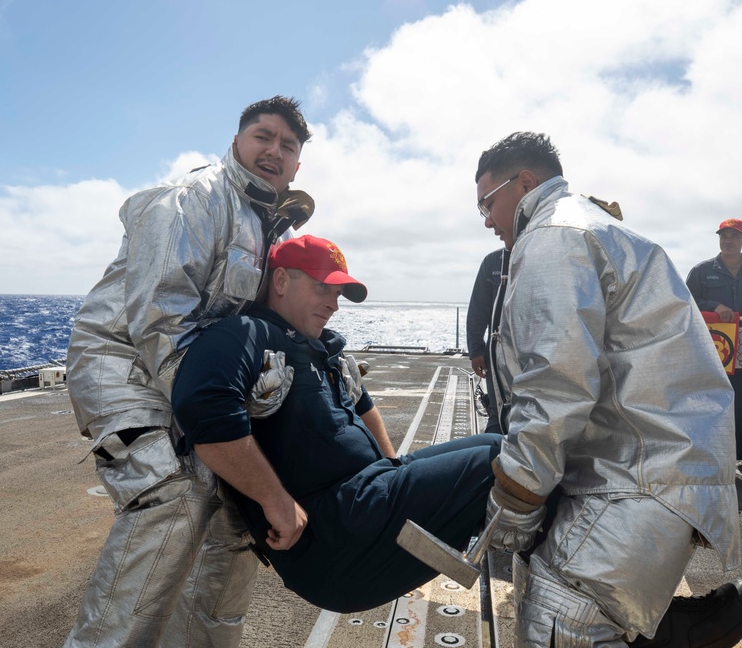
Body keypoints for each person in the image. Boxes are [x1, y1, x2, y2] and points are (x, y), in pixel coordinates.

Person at [473, 132, 742, 647]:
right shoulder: (589, 225)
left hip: (636, 477)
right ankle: (670, 633)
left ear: (524, 183)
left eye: (487, 202)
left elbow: (555, 379)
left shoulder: (554, 234)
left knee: (561, 622)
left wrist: (516, 496)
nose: (487, 219)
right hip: (653, 466)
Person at [64, 96, 315, 647]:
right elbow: (161, 320)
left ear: (298, 164)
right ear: (236, 142)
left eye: (287, 146)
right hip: (122, 361)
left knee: (236, 513)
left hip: (187, 375)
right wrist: (218, 422)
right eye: (262, 137)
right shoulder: (194, 198)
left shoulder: (266, 224)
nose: (273, 151)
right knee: (172, 494)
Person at [170, 235, 502, 612]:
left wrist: (392, 470)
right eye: (323, 288)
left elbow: (363, 405)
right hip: (334, 531)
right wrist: (274, 500)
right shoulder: (247, 333)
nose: (334, 304)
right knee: (506, 458)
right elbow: (200, 405)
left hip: (368, 498)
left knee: (500, 441)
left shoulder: (323, 349)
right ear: (280, 282)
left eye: (339, 294)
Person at [686, 219, 742, 474]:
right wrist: (714, 305)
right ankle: (707, 452)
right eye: (723, 236)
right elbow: (686, 301)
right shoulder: (702, 271)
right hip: (713, 344)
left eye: (734, 236)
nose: (728, 240)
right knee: (711, 397)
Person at [466, 248, 508, 434]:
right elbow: (478, 310)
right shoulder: (492, 262)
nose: (489, 223)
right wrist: (476, 352)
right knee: (497, 413)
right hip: (497, 360)